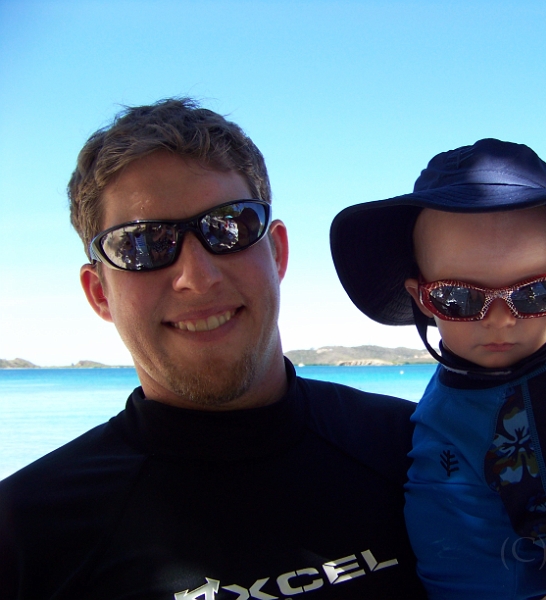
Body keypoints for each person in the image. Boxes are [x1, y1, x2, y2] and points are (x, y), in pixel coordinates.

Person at [0, 98, 426, 599]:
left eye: (229, 226)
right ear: (100, 294)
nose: (197, 277)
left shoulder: (423, 455)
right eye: (143, 244)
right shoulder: (25, 535)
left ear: (277, 252)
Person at [330, 139, 546, 600]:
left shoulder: (545, 401)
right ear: (422, 298)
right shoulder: (462, 373)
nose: (499, 320)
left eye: (534, 294)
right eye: (459, 298)